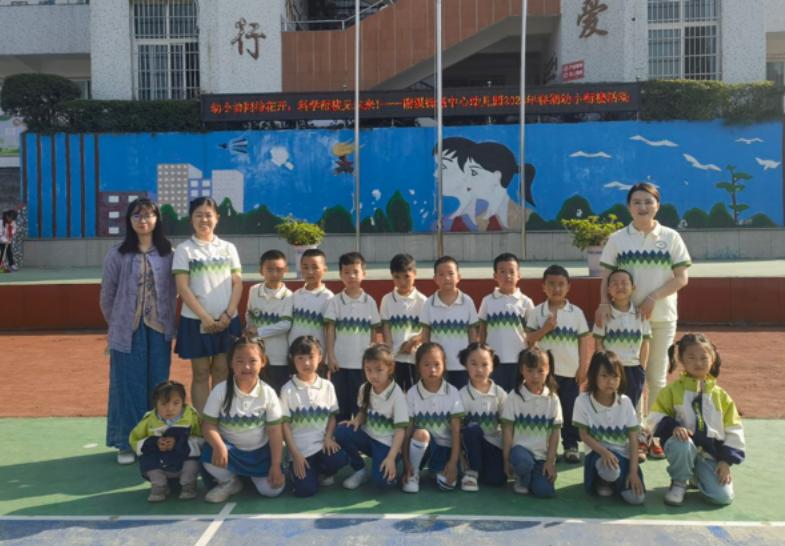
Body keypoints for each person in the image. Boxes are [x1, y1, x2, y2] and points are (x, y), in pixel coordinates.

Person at [595, 182, 691, 458]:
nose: (643, 207)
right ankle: (635, 434)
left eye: (648, 202)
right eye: (636, 202)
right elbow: (606, 277)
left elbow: (682, 278)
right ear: (629, 207)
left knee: (656, 378)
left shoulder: (671, 237)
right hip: (626, 322)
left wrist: (652, 298)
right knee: (630, 378)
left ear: (657, 206)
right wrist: (604, 304)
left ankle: (654, 434)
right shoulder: (617, 239)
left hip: (661, 318)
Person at [100, 198, 177, 465]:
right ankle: (127, 442)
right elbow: (107, 295)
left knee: (158, 385)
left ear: (157, 219)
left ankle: (155, 440)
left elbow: (177, 290)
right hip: (127, 331)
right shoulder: (118, 254)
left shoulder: (169, 254)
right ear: (129, 220)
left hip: (159, 328)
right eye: (137, 215)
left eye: (148, 215)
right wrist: (117, 324)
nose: (143, 220)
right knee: (127, 386)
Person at [649, 333, 744, 506]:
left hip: (708, 454)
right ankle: (679, 482)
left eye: (703, 357)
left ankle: (696, 475)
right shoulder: (671, 391)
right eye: (691, 357)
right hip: (682, 448)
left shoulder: (722, 397)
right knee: (682, 443)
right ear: (681, 359)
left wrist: (726, 461)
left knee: (723, 497)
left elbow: (734, 429)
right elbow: (654, 418)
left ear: (712, 358)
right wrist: (673, 427)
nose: (698, 363)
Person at [173, 197, 243, 413]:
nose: (204, 220)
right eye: (198, 215)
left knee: (223, 370)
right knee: (201, 372)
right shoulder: (184, 250)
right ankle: (204, 422)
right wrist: (204, 317)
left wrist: (228, 315)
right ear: (191, 219)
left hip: (227, 321)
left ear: (217, 218)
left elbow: (238, 283)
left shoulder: (228, 248)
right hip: (195, 321)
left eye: (208, 215)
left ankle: (219, 418)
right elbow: (182, 287)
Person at [200, 336, 286, 503]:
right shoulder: (220, 391)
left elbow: (275, 432)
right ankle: (230, 481)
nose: (246, 367)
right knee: (209, 454)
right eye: (240, 361)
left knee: (273, 491)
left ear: (263, 362)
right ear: (231, 363)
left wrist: (275, 465)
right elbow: (208, 425)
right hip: (230, 452)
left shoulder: (268, 393)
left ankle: (251, 476)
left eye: (253, 361)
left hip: (259, 454)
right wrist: (219, 446)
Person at [525, 264, 591, 464]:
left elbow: (583, 341)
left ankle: (570, 445)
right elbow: (529, 340)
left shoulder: (576, 313)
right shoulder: (536, 312)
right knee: (546, 409)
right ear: (543, 287)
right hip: (545, 374)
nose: (556, 288)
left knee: (569, 409)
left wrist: (583, 367)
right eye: (551, 284)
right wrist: (545, 328)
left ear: (568, 287)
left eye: (561, 284)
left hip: (570, 372)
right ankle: (544, 446)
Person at [593, 268, 651, 461]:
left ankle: (636, 446)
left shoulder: (641, 314)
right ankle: (609, 444)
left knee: (633, 408)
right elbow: (599, 343)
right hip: (612, 371)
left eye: (625, 283)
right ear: (608, 289)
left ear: (633, 287)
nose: (620, 287)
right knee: (611, 405)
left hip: (633, 369)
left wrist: (642, 368)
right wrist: (602, 368)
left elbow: (645, 342)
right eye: (615, 283)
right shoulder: (604, 314)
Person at [280, 336, 349, 497]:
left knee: (340, 459)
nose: (306, 363)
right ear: (292, 359)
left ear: (320, 356)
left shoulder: (327, 386)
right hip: (300, 451)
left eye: (311, 357)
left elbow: (332, 417)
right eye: (300, 358)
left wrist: (328, 437)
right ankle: (299, 472)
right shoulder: (287, 389)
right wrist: (295, 454)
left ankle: (321, 472)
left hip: (322, 446)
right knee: (305, 491)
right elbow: (285, 426)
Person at [573, 351, 645, 505]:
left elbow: (633, 440)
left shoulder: (625, 402)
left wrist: (633, 472)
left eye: (615, 376)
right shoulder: (582, 401)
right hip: (598, 454)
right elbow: (584, 435)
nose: (610, 381)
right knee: (610, 471)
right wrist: (605, 452)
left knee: (636, 498)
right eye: (604, 376)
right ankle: (603, 482)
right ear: (593, 376)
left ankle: (617, 482)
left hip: (622, 456)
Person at [333, 344, 409, 490]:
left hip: (386, 444)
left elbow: (400, 431)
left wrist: (391, 457)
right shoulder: (365, 388)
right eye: (368, 370)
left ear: (390, 368)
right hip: (368, 438)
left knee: (381, 484)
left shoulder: (397, 394)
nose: (373, 375)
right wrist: (356, 421)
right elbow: (363, 411)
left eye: (379, 370)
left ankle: (390, 466)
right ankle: (360, 470)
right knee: (341, 430)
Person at [325, 252, 381, 421]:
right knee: (341, 404)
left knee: (360, 404)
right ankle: (340, 435)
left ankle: (359, 434)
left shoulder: (369, 302)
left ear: (364, 273)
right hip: (340, 364)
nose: (351, 276)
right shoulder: (335, 301)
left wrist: (371, 358)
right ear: (340, 275)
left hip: (362, 365)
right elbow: (330, 330)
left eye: (355, 272)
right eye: (346, 272)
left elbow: (374, 332)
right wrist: (331, 356)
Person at [402, 342, 464, 493]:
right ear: (418, 366)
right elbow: (407, 431)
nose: (432, 369)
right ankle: (414, 473)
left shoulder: (453, 392)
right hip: (425, 447)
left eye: (437, 364)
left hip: (445, 449)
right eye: (426, 364)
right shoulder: (412, 393)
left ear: (444, 365)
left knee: (447, 485)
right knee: (420, 434)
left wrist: (453, 461)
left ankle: (436, 470)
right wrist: (406, 463)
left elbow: (456, 431)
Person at [128, 381, 202, 502]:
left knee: (193, 462)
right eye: (163, 404)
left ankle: (188, 485)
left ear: (183, 403)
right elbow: (134, 440)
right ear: (155, 405)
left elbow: (202, 439)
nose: (170, 408)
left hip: (183, 459)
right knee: (147, 460)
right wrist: (154, 443)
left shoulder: (192, 418)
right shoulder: (149, 420)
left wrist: (179, 443)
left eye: (176, 403)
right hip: (160, 462)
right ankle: (160, 486)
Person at [501, 347, 561, 497]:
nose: (535, 376)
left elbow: (555, 433)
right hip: (519, 453)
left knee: (545, 492)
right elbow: (507, 430)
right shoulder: (514, 397)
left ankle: (531, 477)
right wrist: (506, 460)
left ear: (548, 370)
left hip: (540, 457)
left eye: (540, 371)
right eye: (530, 370)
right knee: (523, 462)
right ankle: (521, 477)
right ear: (522, 370)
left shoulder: (553, 399)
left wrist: (550, 462)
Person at [419, 256, 479, 389]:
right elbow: (426, 334)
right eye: (441, 274)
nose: (446, 278)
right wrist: (427, 359)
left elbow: (472, 332)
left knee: (461, 397)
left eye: (451, 273)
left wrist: (472, 358)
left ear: (459, 277)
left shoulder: (467, 301)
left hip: (462, 365)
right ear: (435, 279)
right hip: (438, 366)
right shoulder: (429, 303)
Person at [478, 252, 535, 392]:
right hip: (494, 360)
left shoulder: (526, 302)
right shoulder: (487, 301)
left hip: (519, 360)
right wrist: (483, 352)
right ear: (495, 276)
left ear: (518, 275)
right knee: (496, 395)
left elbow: (531, 333)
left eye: (511, 271)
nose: (507, 276)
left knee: (518, 396)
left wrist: (530, 358)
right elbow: (482, 329)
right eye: (502, 272)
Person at [458, 342, 507, 492]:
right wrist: (460, 458)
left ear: (492, 366)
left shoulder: (500, 393)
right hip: (472, 445)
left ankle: (482, 468)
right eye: (473, 364)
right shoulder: (461, 395)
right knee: (472, 429)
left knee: (496, 480)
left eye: (485, 364)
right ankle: (471, 471)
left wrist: (507, 458)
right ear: (466, 365)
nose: (479, 370)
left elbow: (507, 427)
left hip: (493, 445)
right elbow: (456, 429)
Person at [246, 249, 293, 394]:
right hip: (256, 355)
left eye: (279, 270)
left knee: (277, 394)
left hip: (278, 357)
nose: (274, 274)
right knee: (255, 392)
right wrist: (249, 329)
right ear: (261, 270)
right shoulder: (254, 290)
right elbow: (249, 314)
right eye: (270, 270)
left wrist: (258, 332)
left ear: (286, 270)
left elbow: (286, 325)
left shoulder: (289, 296)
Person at [380, 253, 426, 391]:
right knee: (394, 393)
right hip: (394, 360)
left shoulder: (423, 300)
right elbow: (386, 328)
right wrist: (390, 353)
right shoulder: (387, 300)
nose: (402, 282)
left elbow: (426, 330)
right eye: (397, 277)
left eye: (407, 276)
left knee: (415, 394)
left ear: (415, 274)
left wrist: (413, 342)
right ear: (392, 276)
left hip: (414, 358)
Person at [288, 248, 333, 369]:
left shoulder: (328, 298)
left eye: (315, 267)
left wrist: (327, 356)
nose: (310, 272)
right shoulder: (295, 295)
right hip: (295, 355)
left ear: (325, 269)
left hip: (316, 358)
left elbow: (329, 330)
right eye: (305, 267)